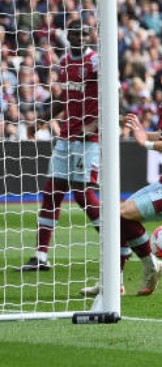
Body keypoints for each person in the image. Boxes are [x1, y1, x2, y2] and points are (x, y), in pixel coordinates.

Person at [83, 58, 162, 296]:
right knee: (116, 216)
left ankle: (151, 266)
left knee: (121, 213)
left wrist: (148, 144)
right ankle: (114, 283)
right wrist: (144, 133)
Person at [19, 20, 101, 272]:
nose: (78, 37)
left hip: (88, 142)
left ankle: (117, 244)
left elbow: (112, 96)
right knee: (51, 193)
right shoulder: (65, 62)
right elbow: (63, 99)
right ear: (68, 36)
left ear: (90, 36)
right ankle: (40, 256)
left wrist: (94, 125)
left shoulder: (96, 61)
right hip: (66, 138)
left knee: (81, 194)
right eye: (74, 33)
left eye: (83, 33)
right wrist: (41, 121)